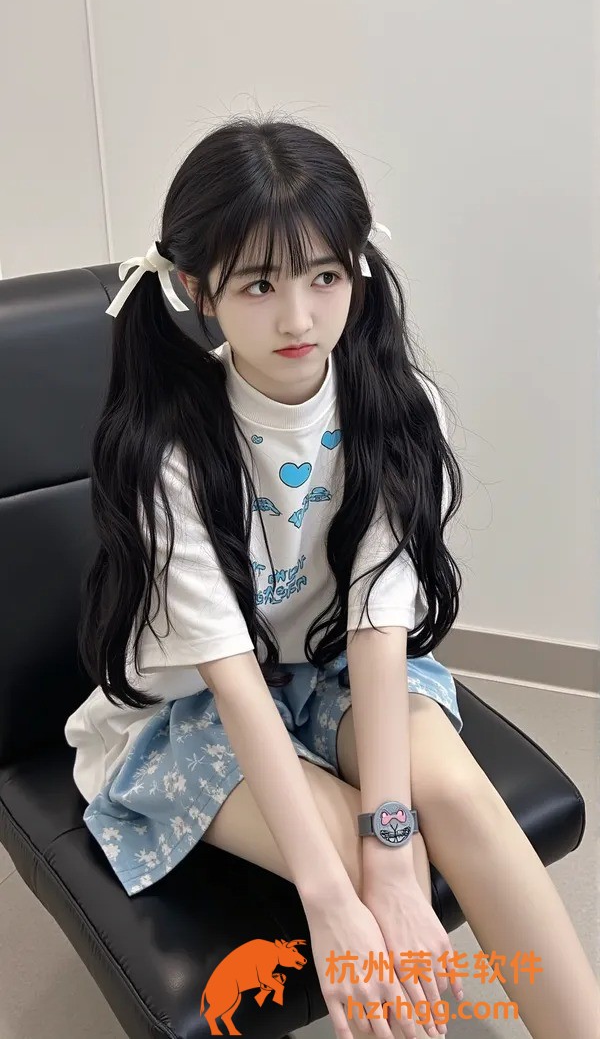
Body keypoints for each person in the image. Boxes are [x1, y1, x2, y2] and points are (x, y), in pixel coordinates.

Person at [64, 115, 599, 1039]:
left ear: (357, 266)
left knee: (449, 808)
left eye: (324, 275)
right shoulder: (169, 451)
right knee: (357, 866)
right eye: (259, 284)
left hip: (338, 668)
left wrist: (392, 855)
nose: (299, 318)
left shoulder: (395, 408)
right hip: (198, 706)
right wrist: (334, 898)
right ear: (196, 287)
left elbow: (377, 627)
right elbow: (233, 679)